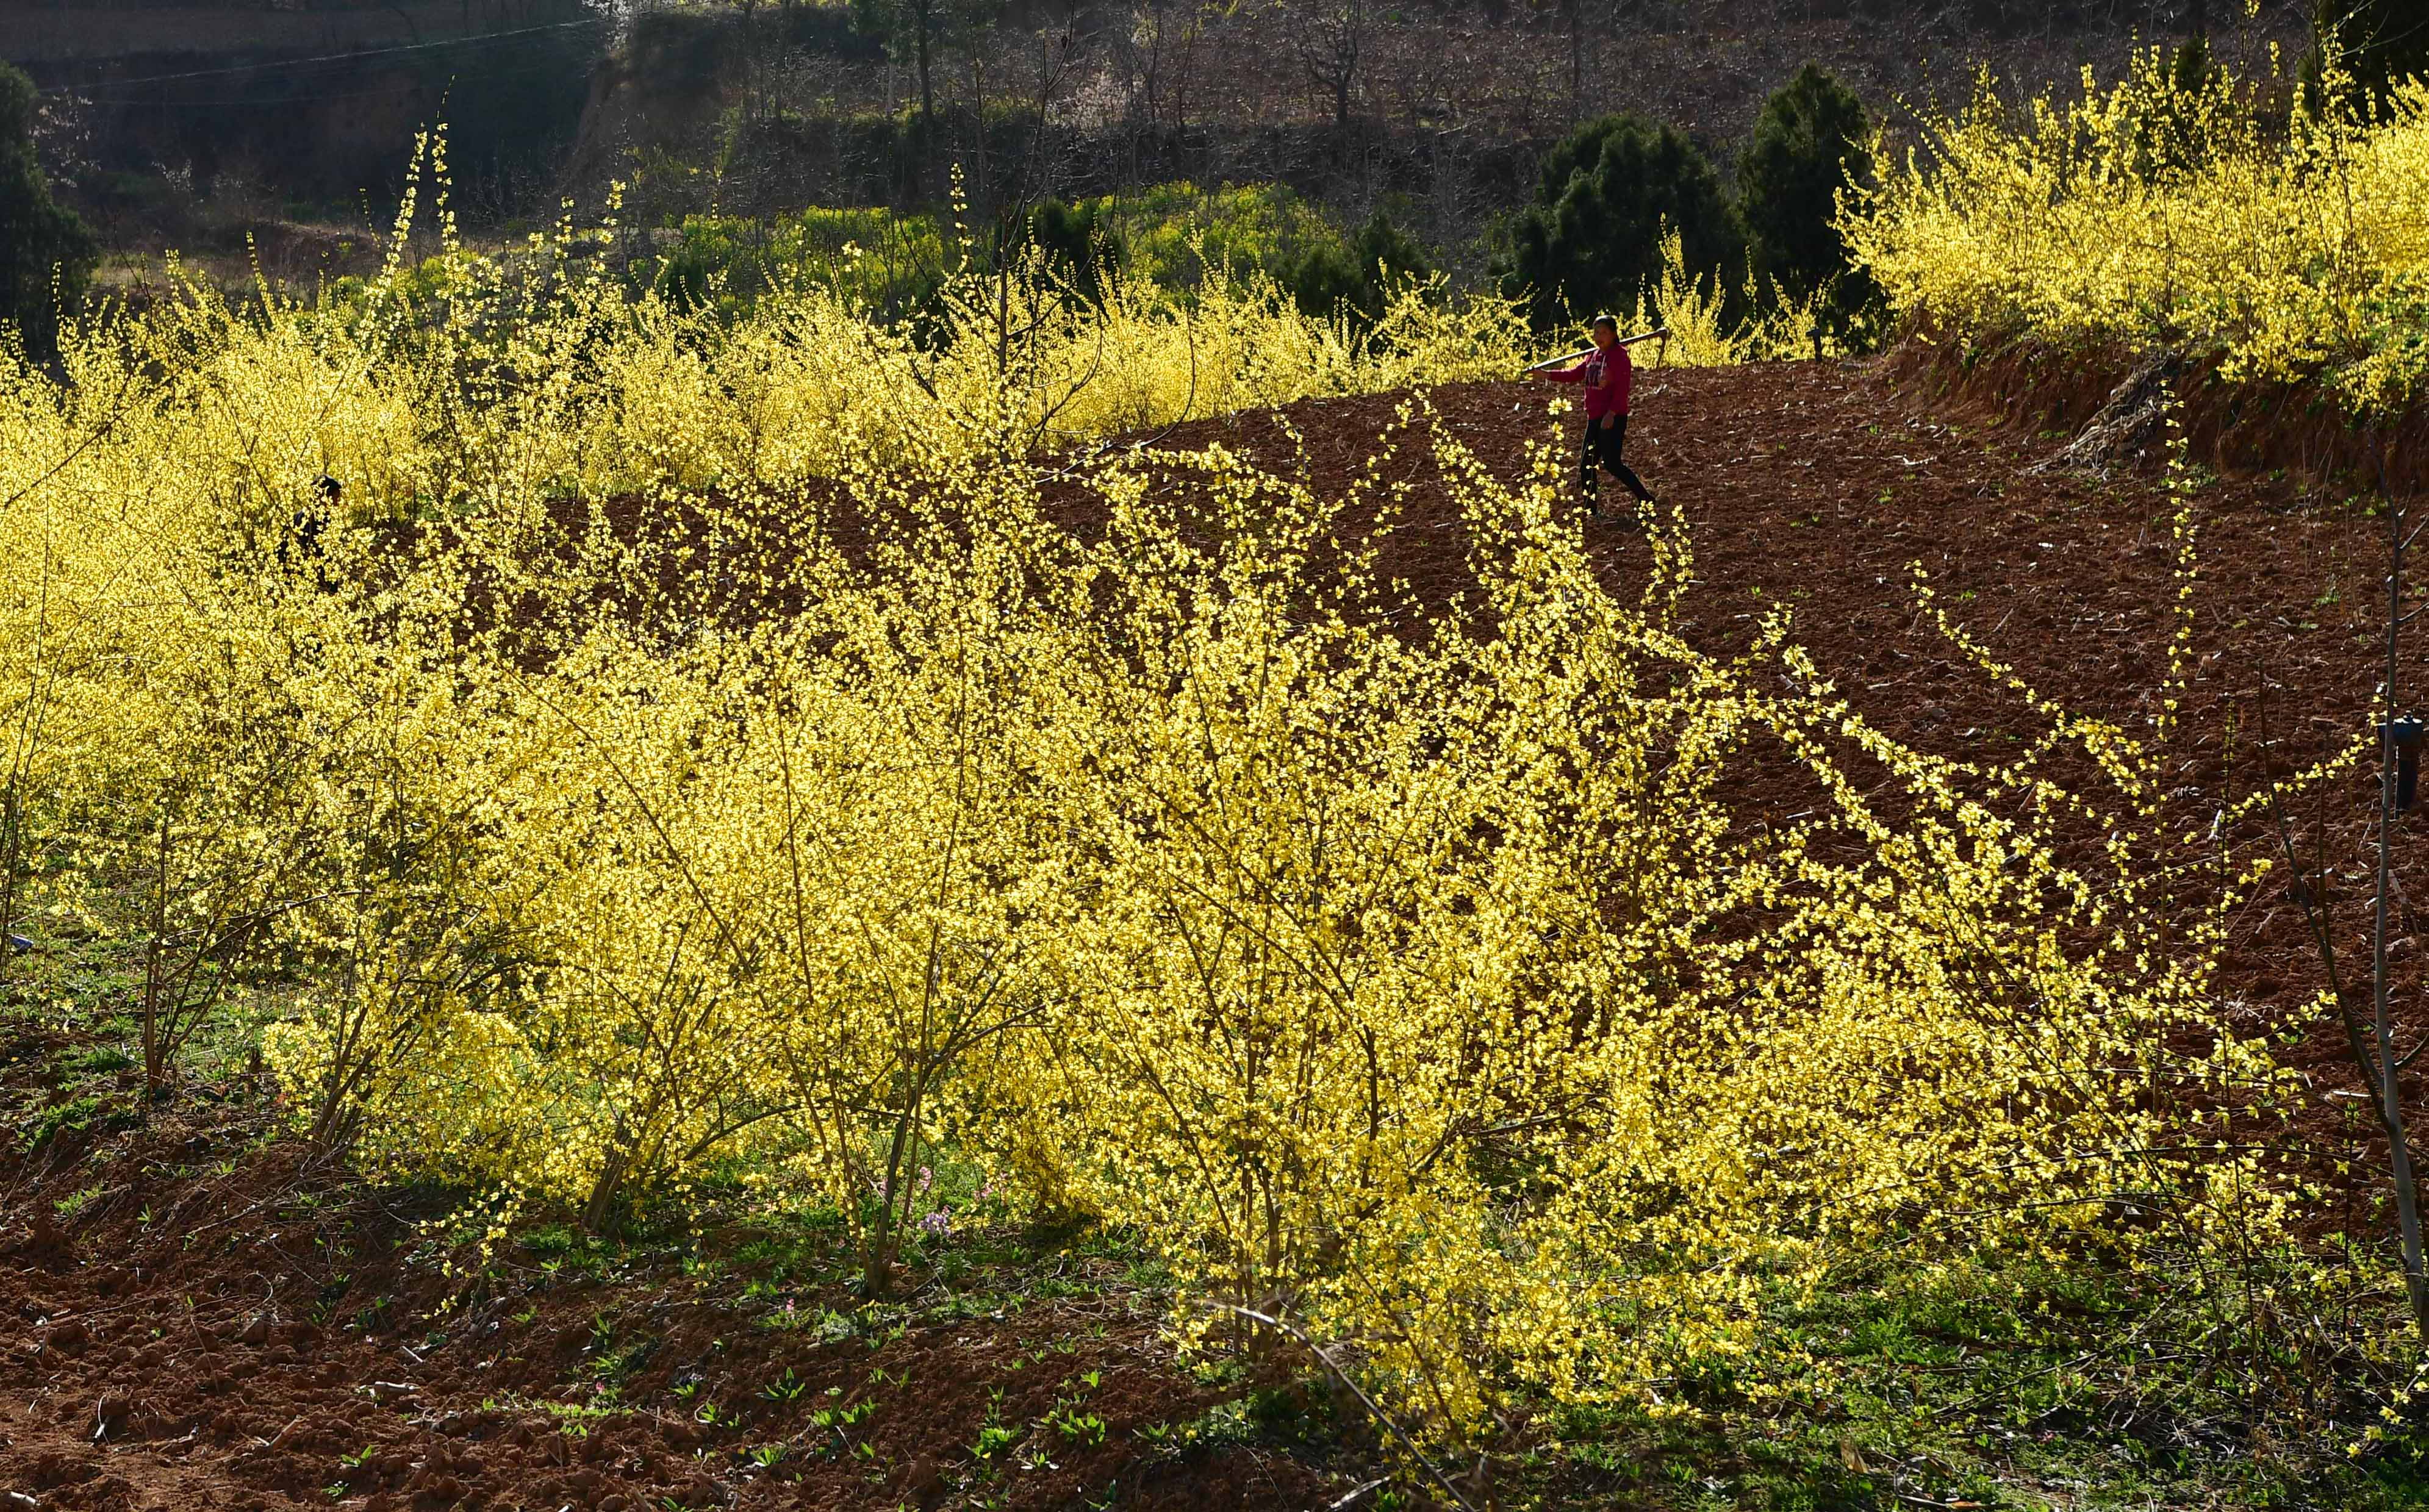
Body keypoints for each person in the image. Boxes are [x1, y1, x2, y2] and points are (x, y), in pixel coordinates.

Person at [1531, 314, 1655, 517]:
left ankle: (1644, 498)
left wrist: (1612, 414)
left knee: (1612, 464)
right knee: (1586, 465)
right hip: (1594, 417)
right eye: (1596, 332)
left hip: (1611, 419)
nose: (1599, 337)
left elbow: (1622, 390)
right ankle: (1590, 510)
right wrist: (1547, 374)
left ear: (1614, 334)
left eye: (1604, 333)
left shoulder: (1619, 357)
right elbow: (1574, 374)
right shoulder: (1594, 356)